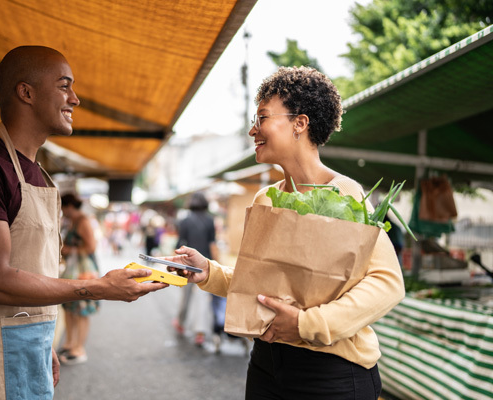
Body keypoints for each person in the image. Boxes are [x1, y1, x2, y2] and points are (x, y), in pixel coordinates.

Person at [0, 45, 167, 400]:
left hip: (30, 351)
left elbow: (31, 269)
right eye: (64, 85)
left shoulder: (39, 174)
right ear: (25, 92)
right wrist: (100, 288)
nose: (75, 99)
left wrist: (43, 341)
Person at [166, 66, 405, 399]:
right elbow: (261, 285)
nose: (253, 129)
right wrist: (208, 271)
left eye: (262, 117)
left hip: (332, 374)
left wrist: (307, 324)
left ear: (300, 123)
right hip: (267, 364)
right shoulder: (265, 198)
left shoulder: (346, 193)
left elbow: (387, 284)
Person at [59, 193, 100, 365]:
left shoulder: (83, 221)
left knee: (82, 309)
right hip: (74, 270)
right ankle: (70, 343)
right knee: (69, 307)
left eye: (62, 207)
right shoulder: (73, 221)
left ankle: (79, 348)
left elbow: (91, 247)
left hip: (84, 270)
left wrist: (70, 250)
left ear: (69, 206)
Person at [172, 192, 217, 347]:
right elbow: (212, 244)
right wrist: (217, 264)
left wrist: (174, 264)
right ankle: (200, 332)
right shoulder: (210, 220)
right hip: (205, 264)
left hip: (187, 264)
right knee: (202, 299)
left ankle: (180, 322)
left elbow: (179, 244)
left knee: (185, 296)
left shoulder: (185, 221)